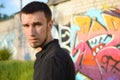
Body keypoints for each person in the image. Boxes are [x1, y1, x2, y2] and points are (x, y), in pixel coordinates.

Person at [20, 1, 75, 80]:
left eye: (37, 25)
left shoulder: (52, 60)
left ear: (50, 25)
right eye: (26, 26)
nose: (31, 33)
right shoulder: (49, 55)